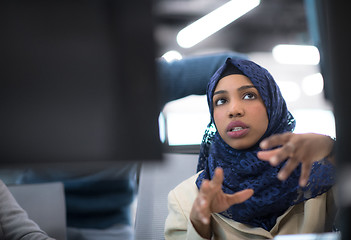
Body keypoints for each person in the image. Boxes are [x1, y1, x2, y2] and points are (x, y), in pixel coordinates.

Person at [14, 52, 248, 240]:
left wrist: (231, 134)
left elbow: (233, 65)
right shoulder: (35, 76)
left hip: (110, 222)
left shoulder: (142, 77)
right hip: (31, 211)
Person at [165, 58, 336, 239]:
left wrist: (336, 151)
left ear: (272, 105)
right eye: (221, 100)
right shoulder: (186, 198)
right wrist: (199, 224)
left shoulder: (319, 175)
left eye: (249, 96)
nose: (234, 110)